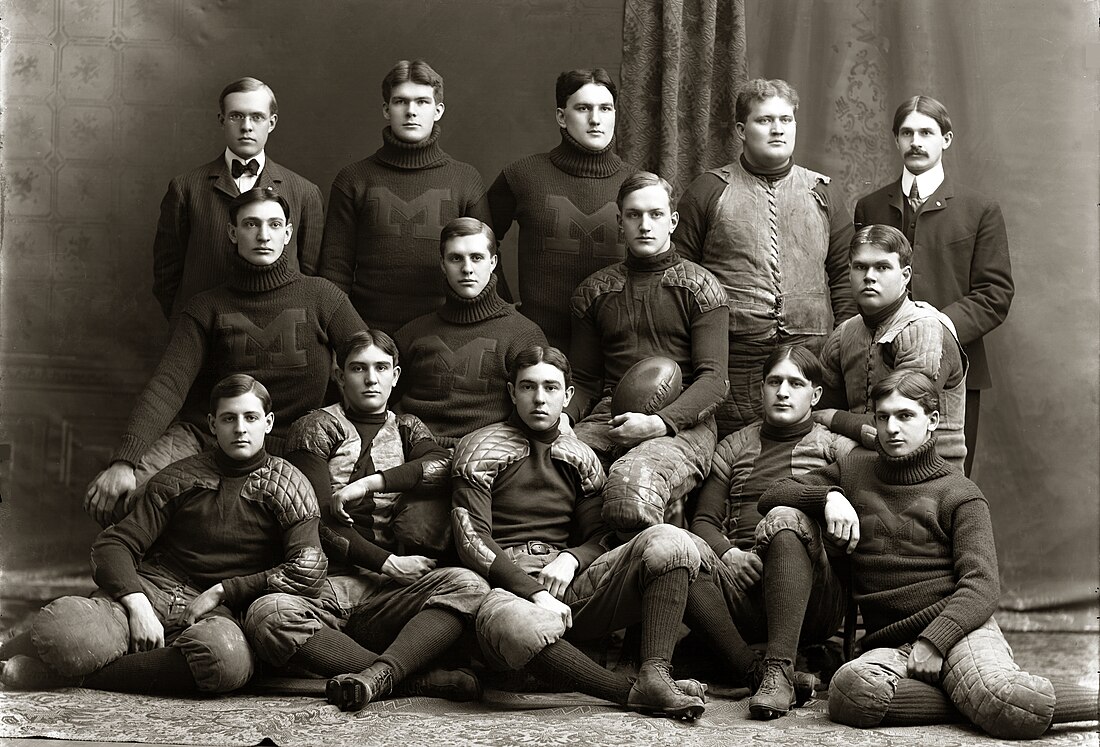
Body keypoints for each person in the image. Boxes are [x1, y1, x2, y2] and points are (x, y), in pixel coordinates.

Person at [755, 371, 1098, 737]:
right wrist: (828, 496)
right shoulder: (855, 469)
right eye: (883, 417)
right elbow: (772, 495)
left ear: (932, 421)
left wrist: (934, 642)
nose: (891, 428)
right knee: (848, 691)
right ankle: (967, 700)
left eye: (905, 416)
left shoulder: (959, 492)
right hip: (891, 642)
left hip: (960, 627)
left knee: (1003, 700)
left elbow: (981, 586)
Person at [0, 375, 326, 696]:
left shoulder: (289, 485)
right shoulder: (181, 477)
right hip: (153, 592)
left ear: (268, 422)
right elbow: (114, 544)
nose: (240, 428)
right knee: (63, 631)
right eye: (229, 418)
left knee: (225, 661)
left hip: (223, 614)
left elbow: (308, 569)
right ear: (213, 424)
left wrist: (225, 590)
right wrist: (137, 605)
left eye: (250, 417)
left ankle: (62, 677)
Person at [450, 346, 708, 721]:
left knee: (671, 541)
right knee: (518, 624)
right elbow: (471, 539)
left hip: (566, 583)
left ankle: (655, 672)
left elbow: (601, 535)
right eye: (528, 387)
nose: (540, 398)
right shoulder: (479, 446)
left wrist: (571, 559)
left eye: (551, 388)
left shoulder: (580, 455)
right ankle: (626, 691)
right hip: (503, 588)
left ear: (567, 396)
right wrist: (533, 592)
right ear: (512, 392)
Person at [84, 186, 365, 527]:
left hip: (294, 442)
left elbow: (369, 366)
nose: (263, 235)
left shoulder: (323, 297)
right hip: (210, 435)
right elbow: (168, 384)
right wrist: (124, 462)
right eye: (251, 225)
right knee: (126, 498)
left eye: (275, 225)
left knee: (315, 522)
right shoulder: (206, 307)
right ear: (233, 232)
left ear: (288, 233)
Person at [245, 330, 488, 711]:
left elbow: (441, 464)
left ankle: (374, 670)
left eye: (380, 368)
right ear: (340, 376)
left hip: (386, 595)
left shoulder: (407, 428)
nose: (370, 378)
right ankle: (410, 678)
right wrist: (390, 563)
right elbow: (319, 521)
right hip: (325, 589)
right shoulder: (316, 428)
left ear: (395, 375)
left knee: (469, 585)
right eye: (358, 368)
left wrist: (373, 483)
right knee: (267, 614)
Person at [675, 78, 856, 437]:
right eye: (765, 120)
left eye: (786, 120)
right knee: (733, 461)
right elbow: (681, 281)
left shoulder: (823, 193)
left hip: (811, 358)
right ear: (742, 130)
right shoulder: (709, 190)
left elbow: (844, 277)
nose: (777, 129)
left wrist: (838, 353)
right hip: (735, 359)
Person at [855, 96, 1013, 476]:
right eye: (907, 132)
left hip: (954, 368)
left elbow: (995, 293)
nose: (916, 141)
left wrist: (938, 325)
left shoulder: (979, 209)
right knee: (876, 475)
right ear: (896, 140)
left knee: (944, 480)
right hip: (879, 365)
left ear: (946, 139)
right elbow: (860, 285)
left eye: (926, 132)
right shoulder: (871, 207)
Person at [688, 345, 858, 698]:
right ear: (761, 389)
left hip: (815, 596)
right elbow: (703, 521)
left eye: (795, 383)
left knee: (784, 519)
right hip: (743, 587)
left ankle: (779, 670)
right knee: (674, 553)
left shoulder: (836, 448)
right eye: (774, 381)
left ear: (816, 395)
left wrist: (837, 495)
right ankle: (757, 670)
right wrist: (729, 555)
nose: (782, 392)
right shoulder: (734, 446)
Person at [569, 172, 728, 533]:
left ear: (672, 221)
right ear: (619, 221)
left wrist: (660, 423)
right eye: (634, 215)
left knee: (632, 487)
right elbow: (584, 379)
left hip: (684, 425)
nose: (645, 225)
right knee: (550, 466)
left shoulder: (701, 288)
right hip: (608, 417)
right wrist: (563, 420)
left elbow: (715, 381)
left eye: (656, 214)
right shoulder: (594, 292)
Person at [318, 60, 496, 334]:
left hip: (447, 334)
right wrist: (346, 338)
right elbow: (335, 270)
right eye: (401, 101)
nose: (411, 111)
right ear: (386, 110)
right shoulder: (354, 179)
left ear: (438, 111)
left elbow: (486, 263)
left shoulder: (465, 179)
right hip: (369, 335)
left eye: (422, 102)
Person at [487, 68, 638, 350]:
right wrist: (503, 306)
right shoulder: (523, 176)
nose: (596, 119)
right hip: (537, 348)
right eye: (583, 108)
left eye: (605, 108)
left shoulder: (637, 185)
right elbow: (477, 243)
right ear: (561, 116)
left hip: (616, 348)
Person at [153, 77, 324, 320]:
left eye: (257, 117)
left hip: (279, 328)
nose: (246, 126)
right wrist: (188, 321)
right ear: (222, 120)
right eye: (236, 116)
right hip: (204, 329)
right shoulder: (186, 188)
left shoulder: (304, 192)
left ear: (272, 122)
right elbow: (166, 273)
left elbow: (311, 273)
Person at [815, 224, 967, 470]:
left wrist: (833, 418)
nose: (869, 276)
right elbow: (812, 409)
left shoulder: (924, 329)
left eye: (882, 267)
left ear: (905, 275)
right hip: (861, 462)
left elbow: (898, 425)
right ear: (849, 273)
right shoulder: (845, 334)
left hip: (928, 473)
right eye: (860, 267)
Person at [394, 218, 546, 446]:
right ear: (443, 265)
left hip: (485, 457)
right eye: (456, 258)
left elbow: (540, 406)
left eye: (477, 257)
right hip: (410, 449)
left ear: (493, 262)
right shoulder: (412, 334)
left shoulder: (523, 335)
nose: (467, 269)